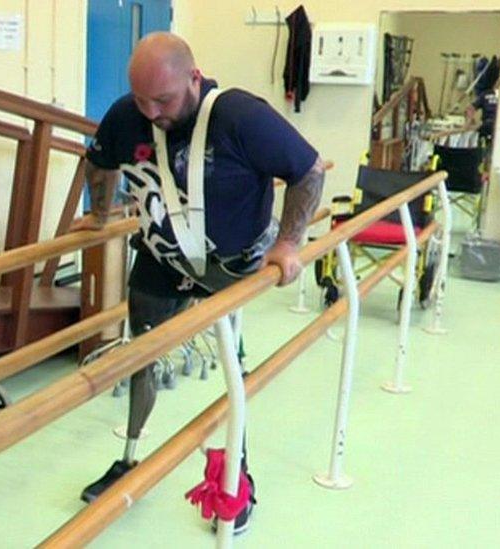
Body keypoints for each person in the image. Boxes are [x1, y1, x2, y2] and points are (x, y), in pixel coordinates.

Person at [75, 32, 325, 534]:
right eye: (141, 98)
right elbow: (98, 162)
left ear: (193, 76)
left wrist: (290, 244)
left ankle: (239, 476)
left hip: (232, 266)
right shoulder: (129, 115)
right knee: (140, 356)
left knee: (233, 370)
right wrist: (100, 215)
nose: (150, 111)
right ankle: (129, 455)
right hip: (161, 258)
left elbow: (309, 170)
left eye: (162, 100)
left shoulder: (239, 116)